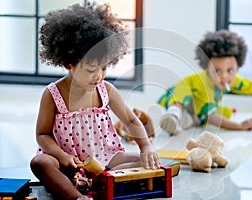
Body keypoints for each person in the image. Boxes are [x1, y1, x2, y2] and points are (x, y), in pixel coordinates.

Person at [30, 3, 160, 200]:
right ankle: (77, 195)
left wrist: (146, 147)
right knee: (40, 163)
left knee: (152, 161)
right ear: (68, 63)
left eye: (104, 68)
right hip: (68, 163)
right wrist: (62, 156)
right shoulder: (53, 94)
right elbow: (42, 134)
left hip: (106, 158)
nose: (99, 76)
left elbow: (131, 121)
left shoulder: (106, 90)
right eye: (91, 70)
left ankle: (99, 180)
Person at [158, 29, 252, 135]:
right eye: (217, 71)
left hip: (198, 108)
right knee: (182, 93)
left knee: (214, 114)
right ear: (207, 68)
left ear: (237, 68)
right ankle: (173, 114)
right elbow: (212, 118)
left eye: (230, 70)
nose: (224, 76)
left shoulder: (232, 80)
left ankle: (188, 119)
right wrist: (239, 126)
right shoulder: (205, 85)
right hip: (183, 97)